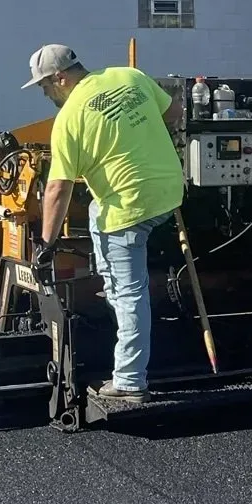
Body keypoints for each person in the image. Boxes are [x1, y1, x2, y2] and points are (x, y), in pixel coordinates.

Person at [25, 44, 185, 404]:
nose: (45, 93)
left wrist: (46, 244)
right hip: (169, 191)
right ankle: (115, 286)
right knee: (99, 210)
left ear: (60, 78)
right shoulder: (129, 76)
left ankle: (129, 379)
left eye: (44, 86)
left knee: (128, 293)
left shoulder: (69, 119)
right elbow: (174, 112)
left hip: (129, 207)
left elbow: (57, 189)